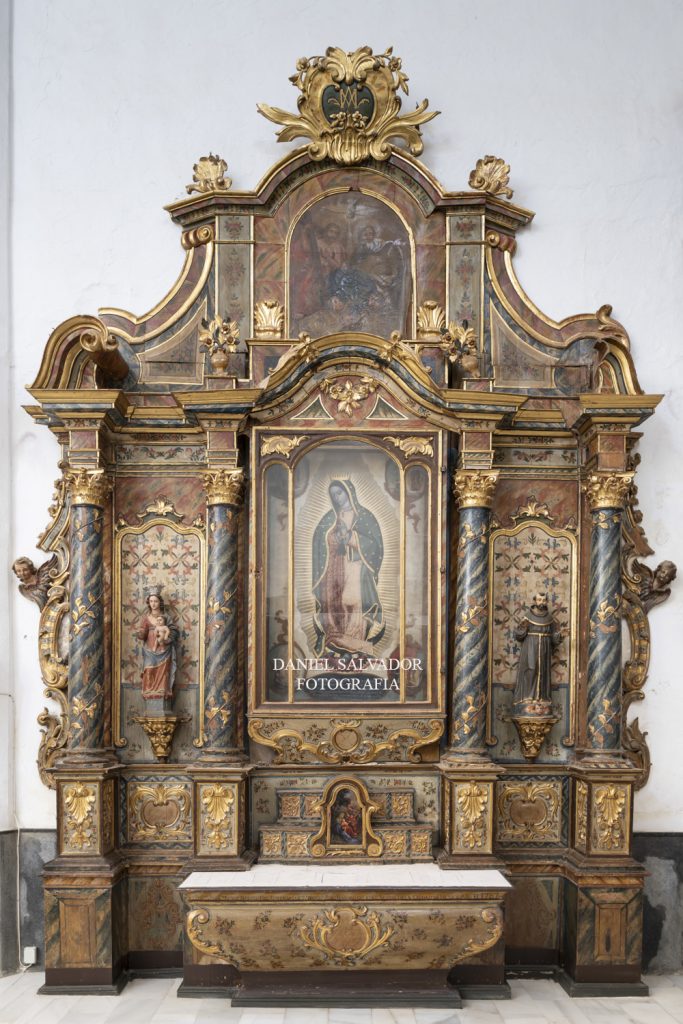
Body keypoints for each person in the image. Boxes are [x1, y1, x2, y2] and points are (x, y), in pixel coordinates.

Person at [312, 479, 384, 658]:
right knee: (333, 605)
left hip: (356, 567)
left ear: (349, 492)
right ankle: (337, 644)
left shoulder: (364, 516)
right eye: (333, 495)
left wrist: (352, 537)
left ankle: (355, 645)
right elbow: (319, 541)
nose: (337, 498)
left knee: (353, 603)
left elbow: (376, 546)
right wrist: (333, 537)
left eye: (340, 493)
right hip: (333, 569)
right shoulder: (329, 518)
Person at [513, 593, 561, 709]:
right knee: (531, 669)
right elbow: (519, 636)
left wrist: (559, 635)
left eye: (544, 600)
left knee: (543, 670)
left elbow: (554, 638)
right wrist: (523, 627)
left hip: (545, 647)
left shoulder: (550, 618)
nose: (541, 602)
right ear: (535, 601)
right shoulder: (528, 616)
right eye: (539, 600)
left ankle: (542, 698)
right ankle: (527, 697)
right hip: (531, 646)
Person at [135, 588, 178, 701]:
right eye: (151, 601)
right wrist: (141, 634)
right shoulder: (146, 618)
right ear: (148, 603)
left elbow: (174, 631)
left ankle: (162, 691)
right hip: (149, 649)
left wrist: (167, 639)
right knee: (149, 669)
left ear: (160, 602)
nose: (153, 604)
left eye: (155, 601)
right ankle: (148, 691)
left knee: (163, 672)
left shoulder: (166, 617)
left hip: (164, 649)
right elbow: (143, 632)